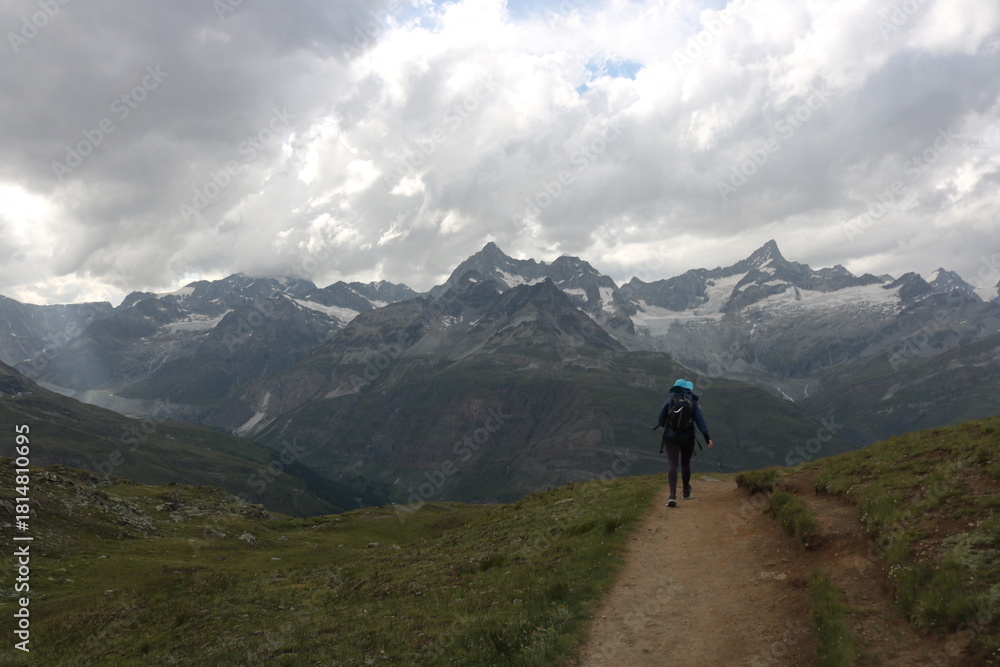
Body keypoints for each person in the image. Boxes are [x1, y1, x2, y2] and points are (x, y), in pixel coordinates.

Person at [656, 379, 713, 507]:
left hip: (671, 437)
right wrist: (707, 438)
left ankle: (672, 495)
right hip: (687, 437)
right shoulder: (692, 402)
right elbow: (700, 421)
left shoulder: (671, 400)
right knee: (685, 464)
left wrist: (669, 425)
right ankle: (686, 491)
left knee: (673, 464)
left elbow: (660, 419)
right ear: (688, 389)